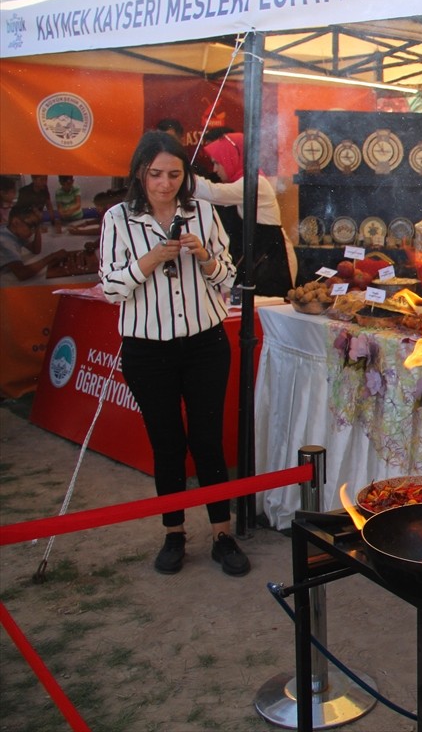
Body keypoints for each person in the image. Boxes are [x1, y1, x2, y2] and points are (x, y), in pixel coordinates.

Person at [98, 131, 249, 577]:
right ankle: (174, 533)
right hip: (146, 349)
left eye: (174, 174)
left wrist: (203, 255)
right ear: (140, 173)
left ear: (186, 176)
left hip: (205, 343)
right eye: (156, 174)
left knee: (207, 440)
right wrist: (148, 260)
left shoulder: (202, 212)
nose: (165, 183)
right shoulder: (118, 218)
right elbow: (110, 288)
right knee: (167, 444)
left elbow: (227, 277)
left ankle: (223, 533)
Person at [194, 131, 297, 297]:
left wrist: (184, 179)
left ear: (231, 158)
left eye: (217, 163)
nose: (214, 169)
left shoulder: (255, 183)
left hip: (273, 261)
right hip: (260, 259)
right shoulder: (245, 181)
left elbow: (216, 193)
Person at [0, 199, 68, 280]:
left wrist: (37, 226)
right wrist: (51, 257)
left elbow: (35, 250)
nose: (33, 231)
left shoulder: (15, 231)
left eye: (36, 226)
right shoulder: (5, 241)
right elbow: (22, 274)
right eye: (31, 225)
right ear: (16, 222)